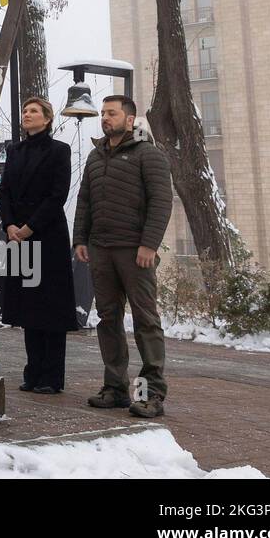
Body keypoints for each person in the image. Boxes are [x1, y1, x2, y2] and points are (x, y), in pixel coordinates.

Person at [73, 94, 172, 419]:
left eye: (111, 113)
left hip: (135, 251)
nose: (105, 118)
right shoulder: (95, 156)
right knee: (108, 318)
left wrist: (149, 244)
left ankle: (150, 395)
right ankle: (115, 389)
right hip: (101, 250)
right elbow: (84, 200)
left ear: (129, 119)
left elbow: (161, 202)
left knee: (146, 322)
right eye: (102, 113)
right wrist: (81, 240)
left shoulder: (149, 155)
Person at [0, 96, 78, 394]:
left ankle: (52, 377)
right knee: (28, 306)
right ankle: (32, 372)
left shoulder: (60, 150)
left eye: (34, 111)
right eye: (24, 111)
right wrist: (9, 225)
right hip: (17, 238)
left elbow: (57, 195)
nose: (27, 114)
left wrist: (29, 227)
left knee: (51, 307)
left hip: (47, 236)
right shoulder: (14, 151)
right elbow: (4, 191)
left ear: (47, 118)